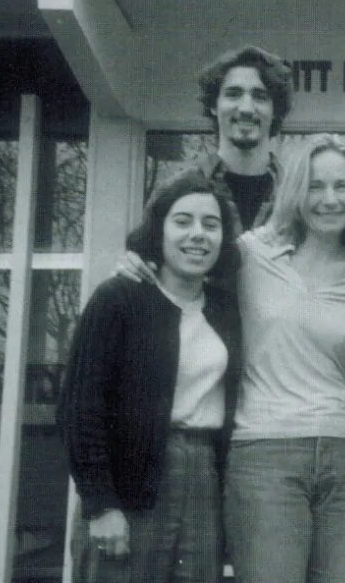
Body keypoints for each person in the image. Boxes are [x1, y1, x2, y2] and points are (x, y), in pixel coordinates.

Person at [223, 134, 345, 583]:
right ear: (296, 193)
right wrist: (135, 258)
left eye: (341, 187)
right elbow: (180, 264)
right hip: (265, 453)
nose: (329, 199)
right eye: (316, 186)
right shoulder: (252, 254)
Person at [60, 172, 243, 582]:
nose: (198, 235)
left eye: (210, 225)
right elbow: (80, 407)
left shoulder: (225, 310)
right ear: (158, 228)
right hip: (129, 479)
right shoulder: (118, 299)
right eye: (183, 221)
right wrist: (101, 504)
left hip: (202, 474)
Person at [192, 44, 295, 230]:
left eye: (260, 96)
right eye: (233, 94)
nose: (246, 108)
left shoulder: (295, 194)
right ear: (214, 106)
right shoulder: (182, 188)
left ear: (275, 110)